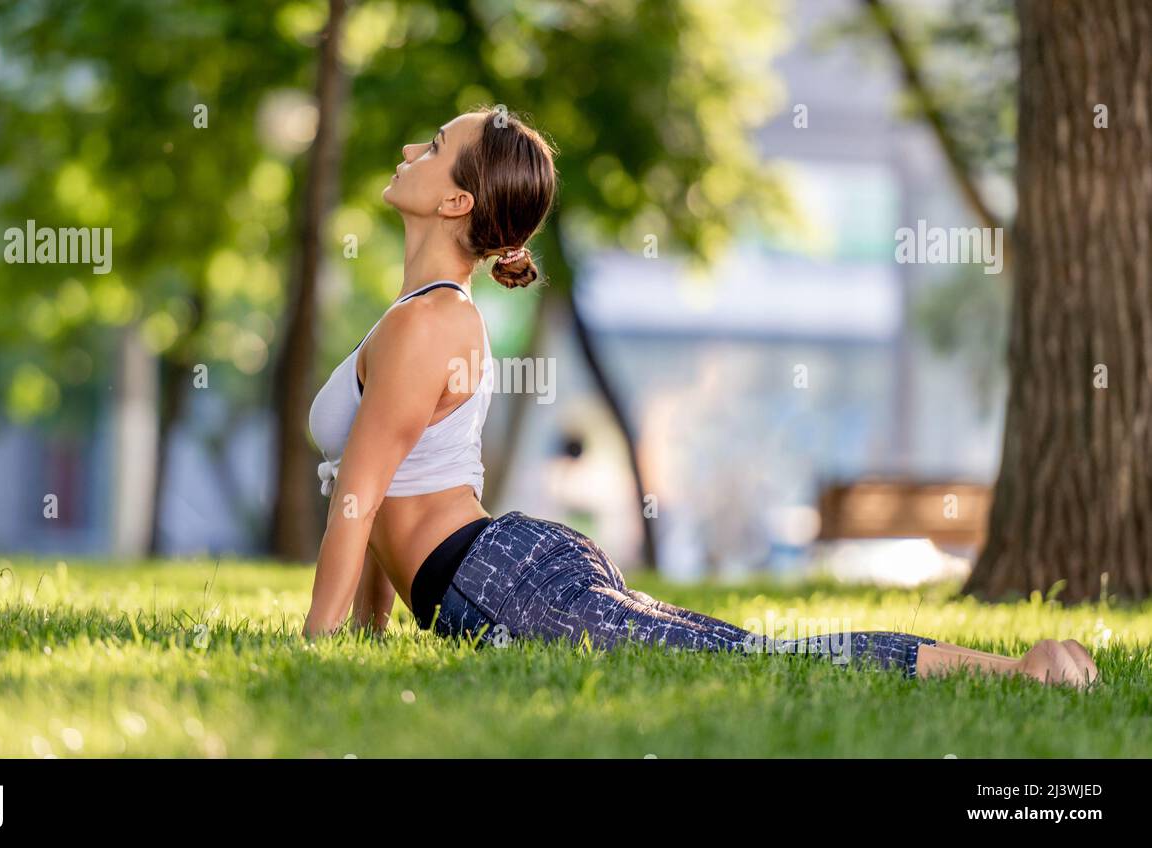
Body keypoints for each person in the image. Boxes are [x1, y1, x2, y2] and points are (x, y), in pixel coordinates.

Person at [302, 106, 1099, 689]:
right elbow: (374, 488)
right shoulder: (426, 316)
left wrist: (319, 646)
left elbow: (360, 499)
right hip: (499, 566)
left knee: (760, 664)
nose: (412, 147)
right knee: (743, 653)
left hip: (495, 578)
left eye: (435, 146)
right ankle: (1018, 669)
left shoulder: (431, 323)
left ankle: (1022, 673)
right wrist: (366, 638)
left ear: (455, 203)